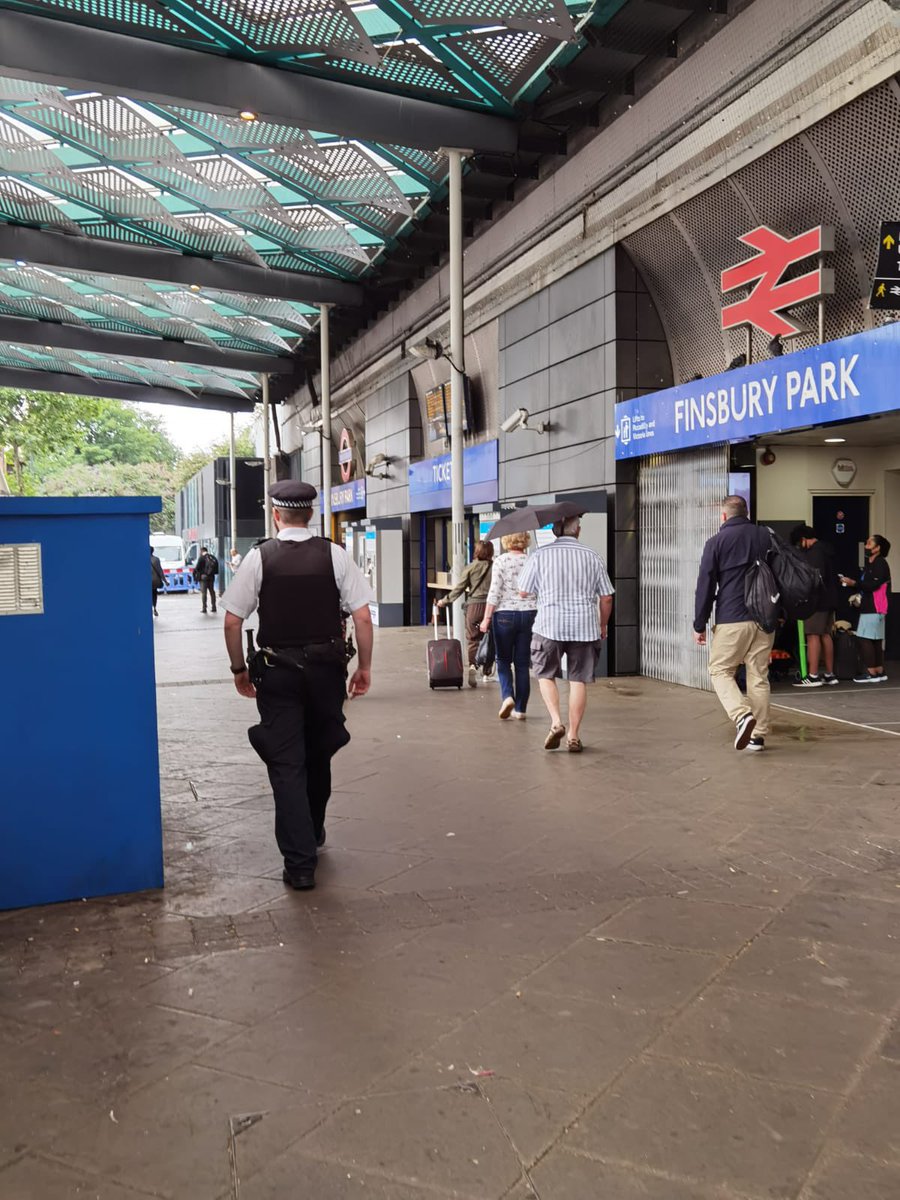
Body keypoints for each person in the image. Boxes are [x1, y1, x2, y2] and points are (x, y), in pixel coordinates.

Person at [222, 481, 374, 890]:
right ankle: (314, 827)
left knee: (286, 762)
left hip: (278, 674)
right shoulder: (334, 554)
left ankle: (300, 863)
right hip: (326, 672)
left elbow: (233, 621)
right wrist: (364, 668)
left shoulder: (259, 557)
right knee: (319, 752)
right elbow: (362, 617)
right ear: (310, 514)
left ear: (276, 515)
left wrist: (238, 669)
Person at [517, 515, 614, 753]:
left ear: (554, 531)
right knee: (578, 679)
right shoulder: (592, 556)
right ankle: (573, 735)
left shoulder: (539, 555)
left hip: (549, 626)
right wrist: (603, 625)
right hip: (584, 627)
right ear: (577, 531)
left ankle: (555, 722)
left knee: (545, 674)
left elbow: (523, 591)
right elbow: (606, 597)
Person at [693, 495, 773, 752]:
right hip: (765, 618)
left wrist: (699, 624)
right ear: (746, 512)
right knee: (758, 675)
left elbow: (705, 585)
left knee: (720, 670)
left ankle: (741, 715)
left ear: (724, 516)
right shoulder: (766, 536)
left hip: (732, 617)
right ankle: (757, 736)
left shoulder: (716, 542)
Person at [479, 532, 537, 719]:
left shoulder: (501, 561)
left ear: (506, 540)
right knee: (522, 664)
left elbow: (494, 592)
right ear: (525, 540)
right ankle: (520, 710)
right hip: (529, 614)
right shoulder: (532, 560)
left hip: (504, 614)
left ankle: (507, 697)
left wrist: (486, 618)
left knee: (503, 660)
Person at [436, 540, 494, 686]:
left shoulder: (470, 568)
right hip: (491, 606)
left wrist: (445, 600)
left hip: (474, 607)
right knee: (491, 639)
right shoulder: (495, 567)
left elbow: (460, 588)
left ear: (477, 551)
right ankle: (486, 671)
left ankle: (473, 665)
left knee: (473, 639)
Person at [789, 524, 840, 687]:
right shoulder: (826, 549)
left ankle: (813, 676)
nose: (800, 547)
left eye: (799, 543)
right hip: (830, 599)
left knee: (812, 635)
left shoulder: (814, 552)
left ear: (804, 539)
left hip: (817, 601)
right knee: (826, 635)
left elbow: (813, 577)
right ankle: (830, 674)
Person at [840, 535, 891, 683]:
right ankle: (879, 671)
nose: (866, 546)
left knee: (864, 638)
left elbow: (873, 585)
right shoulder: (871, 564)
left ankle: (870, 672)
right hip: (875, 606)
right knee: (875, 639)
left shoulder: (880, 563)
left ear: (877, 548)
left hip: (874, 606)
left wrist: (854, 583)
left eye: (869, 543)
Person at [194, 546, 218, 614]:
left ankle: (204, 608)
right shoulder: (212, 557)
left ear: (202, 551)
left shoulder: (201, 558)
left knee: (204, 593)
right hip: (211, 577)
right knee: (212, 591)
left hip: (203, 577)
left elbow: (197, 568)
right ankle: (214, 607)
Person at [150, 545, 165, 617]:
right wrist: (165, 581)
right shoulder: (156, 559)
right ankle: (154, 607)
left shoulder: (142, 559)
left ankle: (149, 608)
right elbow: (160, 571)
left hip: (146, 582)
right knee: (154, 594)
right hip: (155, 581)